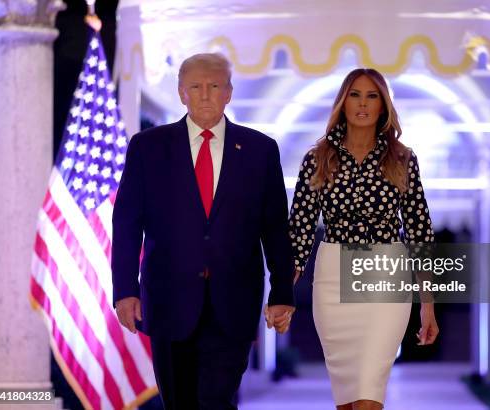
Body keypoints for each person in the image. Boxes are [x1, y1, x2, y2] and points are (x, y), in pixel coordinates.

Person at [112, 53, 295, 409]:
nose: (206, 95)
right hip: (168, 300)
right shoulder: (148, 148)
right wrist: (124, 290)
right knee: (179, 403)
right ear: (182, 93)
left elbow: (274, 227)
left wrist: (282, 291)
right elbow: (127, 223)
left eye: (214, 86)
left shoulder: (260, 150)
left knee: (217, 400)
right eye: (196, 87)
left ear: (229, 92)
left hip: (233, 301)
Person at [287, 68, 439, 410]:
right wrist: (283, 292)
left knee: (369, 395)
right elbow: (300, 228)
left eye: (372, 96)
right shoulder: (318, 158)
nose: (363, 104)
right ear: (343, 102)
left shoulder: (402, 158)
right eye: (355, 94)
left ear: (383, 105)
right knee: (346, 401)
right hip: (332, 279)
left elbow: (419, 229)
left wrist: (427, 305)